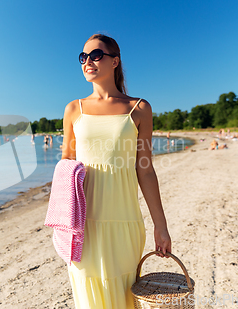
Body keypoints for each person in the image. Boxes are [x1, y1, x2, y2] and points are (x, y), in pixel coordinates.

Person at [60, 34, 171, 308]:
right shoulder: (74, 109)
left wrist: (161, 225)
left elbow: (145, 170)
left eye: (96, 55)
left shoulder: (140, 108)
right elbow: (66, 167)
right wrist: (63, 220)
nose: (88, 61)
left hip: (124, 220)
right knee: (88, 296)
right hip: (84, 223)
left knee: (123, 295)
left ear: (115, 61)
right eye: (83, 57)